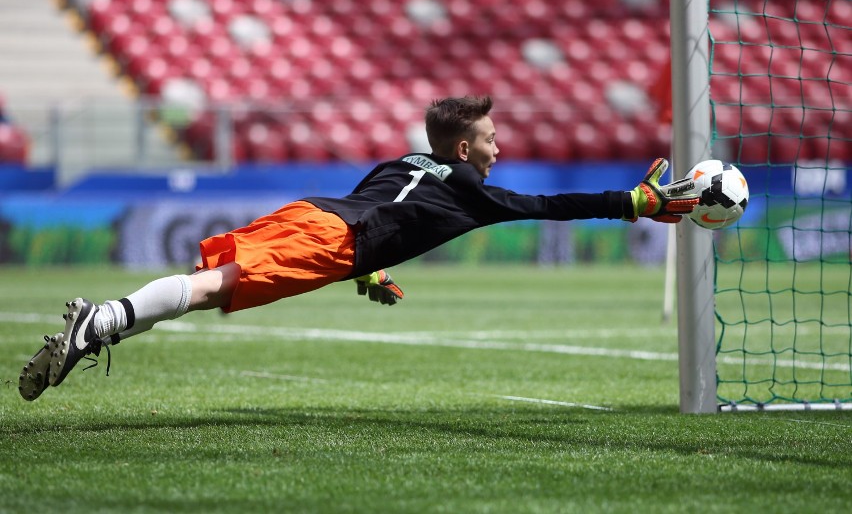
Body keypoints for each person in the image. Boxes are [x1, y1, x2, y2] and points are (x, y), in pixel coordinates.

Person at [18, 95, 699, 401]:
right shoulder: (467, 185)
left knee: (209, 280)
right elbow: (542, 207)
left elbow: (382, 206)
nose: (501, 148)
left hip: (312, 213)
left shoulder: (406, 158)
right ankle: (101, 322)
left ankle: (102, 324)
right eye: (492, 139)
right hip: (334, 238)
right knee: (209, 291)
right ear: (465, 149)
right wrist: (631, 204)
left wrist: (367, 270)